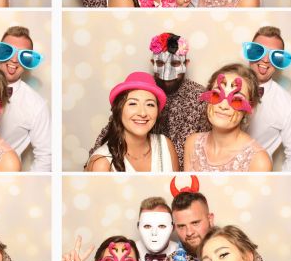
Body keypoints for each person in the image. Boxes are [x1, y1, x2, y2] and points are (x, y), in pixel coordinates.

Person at [88, 32, 210, 169]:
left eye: (175, 63)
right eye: (161, 63)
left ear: (186, 64)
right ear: (153, 63)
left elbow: (207, 146)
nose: (167, 73)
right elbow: (112, 134)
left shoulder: (201, 97)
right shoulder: (139, 88)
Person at [183, 64, 272, 171]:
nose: (223, 106)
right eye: (216, 95)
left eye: (237, 100)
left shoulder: (259, 161)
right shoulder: (192, 144)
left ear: (250, 107)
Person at [86, 72, 178, 171]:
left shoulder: (165, 146)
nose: (142, 113)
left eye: (150, 104)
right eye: (133, 103)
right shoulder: (102, 163)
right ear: (119, 109)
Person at [0, 27, 51, 171]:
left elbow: (46, 156)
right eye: (7, 51)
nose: (14, 60)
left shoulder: (37, 105)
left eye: (22, 56)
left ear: (28, 61)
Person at [245, 26, 291, 171]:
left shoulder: (288, 105)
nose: (265, 60)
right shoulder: (226, 84)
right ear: (250, 53)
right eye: (258, 51)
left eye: (274, 56)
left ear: (280, 61)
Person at [135, 197, 177, 261]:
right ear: (138, 226)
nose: (154, 233)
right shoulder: (128, 252)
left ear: (173, 227)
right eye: (147, 226)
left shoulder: (182, 254)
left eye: (161, 226)